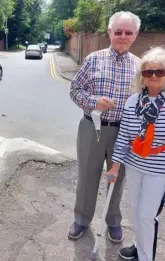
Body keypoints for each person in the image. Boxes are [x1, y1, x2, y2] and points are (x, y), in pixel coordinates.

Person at [106, 46, 165, 261]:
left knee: (147, 216)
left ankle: (146, 259)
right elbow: (125, 135)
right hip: (135, 165)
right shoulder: (132, 101)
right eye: (148, 72)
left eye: (159, 72)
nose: (154, 76)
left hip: (160, 170)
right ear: (142, 76)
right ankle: (139, 246)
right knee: (136, 212)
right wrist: (115, 165)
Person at [68, 11, 141, 242]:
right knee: (87, 176)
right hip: (93, 127)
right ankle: (81, 219)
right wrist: (94, 102)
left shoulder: (140, 67)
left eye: (128, 32)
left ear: (135, 36)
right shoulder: (93, 59)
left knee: (117, 179)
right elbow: (74, 90)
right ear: (109, 32)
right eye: (118, 31)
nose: (122, 36)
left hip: (124, 132)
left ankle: (113, 221)